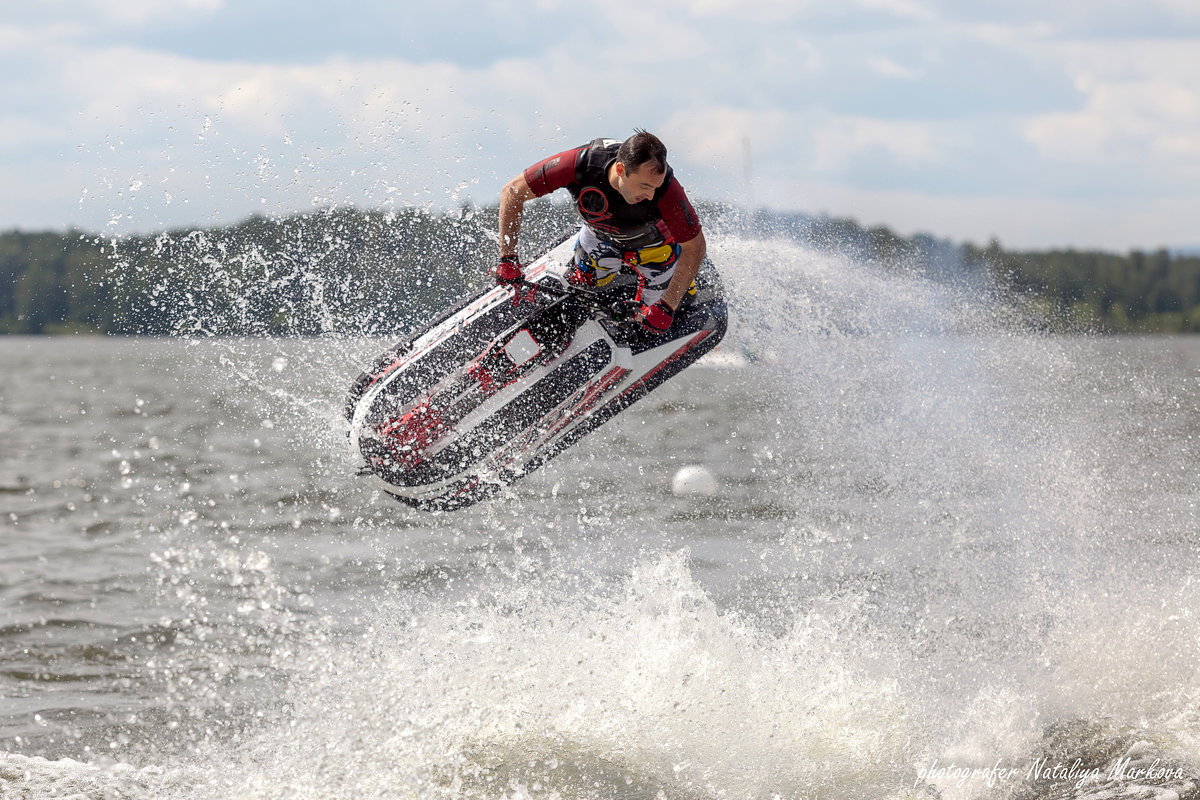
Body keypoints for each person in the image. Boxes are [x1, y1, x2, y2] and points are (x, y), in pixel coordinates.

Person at [494, 130, 706, 333]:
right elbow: (512, 191)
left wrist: (668, 306)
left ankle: (682, 296)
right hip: (599, 240)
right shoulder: (580, 164)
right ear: (621, 169)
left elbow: (695, 247)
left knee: (653, 322)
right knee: (575, 293)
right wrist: (508, 257)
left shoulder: (668, 189)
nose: (651, 195)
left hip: (655, 252)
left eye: (654, 187)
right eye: (644, 186)